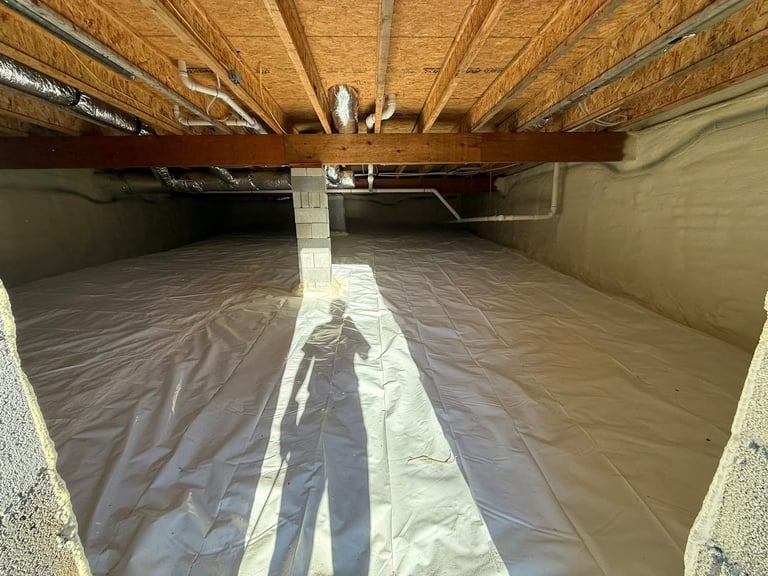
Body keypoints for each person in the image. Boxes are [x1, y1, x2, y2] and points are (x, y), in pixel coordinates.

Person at [270, 299, 371, 575]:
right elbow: (365, 354)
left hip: (323, 390)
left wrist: (296, 392)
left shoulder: (326, 329)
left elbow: (307, 359)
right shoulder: (340, 328)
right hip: (330, 390)